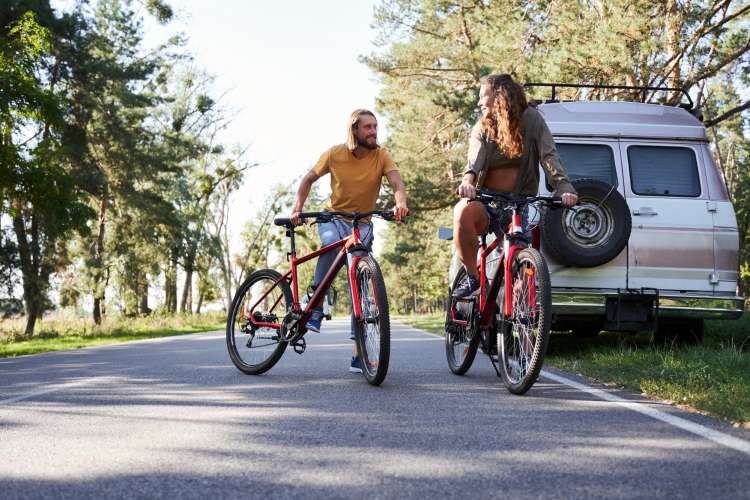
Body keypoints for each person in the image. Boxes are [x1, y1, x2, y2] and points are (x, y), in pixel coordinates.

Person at [290, 109, 408, 373]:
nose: (374, 131)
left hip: (362, 223)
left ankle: (359, 353)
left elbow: (397, 183)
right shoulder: (335, 154)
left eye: (375, 126)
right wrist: (297, 208)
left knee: (362, 284)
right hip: (334, 216)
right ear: (354, 130)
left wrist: (400, 204)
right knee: (331, 244)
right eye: (368, 127)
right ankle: (316, 305)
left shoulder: (382, 155)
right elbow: (308, 179)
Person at [453, 74, 578, 298]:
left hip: (519, 204)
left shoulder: (532, 120)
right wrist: (467, 181)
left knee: (523, 263)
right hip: (486, 202)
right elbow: (474, 161)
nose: (479, 102)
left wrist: (563, 187)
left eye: (484, 97)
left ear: (500, 97)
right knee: (462, 211)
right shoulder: (482, 126)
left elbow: (549, 157)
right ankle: (472, 277)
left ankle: (521, 315)